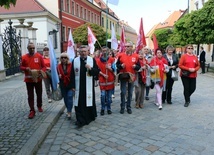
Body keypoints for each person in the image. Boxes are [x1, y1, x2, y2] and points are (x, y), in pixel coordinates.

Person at [71, 45, 99, 127]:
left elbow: (97, 72)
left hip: (88, 86)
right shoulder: (75, 61)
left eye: (84, 51)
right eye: (81, 51)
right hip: (78, 86)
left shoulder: (92, 60)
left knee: (88, 101)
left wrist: (90, 68)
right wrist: (72, 85)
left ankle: (89, 117)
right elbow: (72, 74)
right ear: (79, 52)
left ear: (88, 52)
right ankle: (80, 119)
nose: (83, 53)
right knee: (79, 103)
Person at [20, 42, 46, 119]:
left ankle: (39, 105)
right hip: (29, 80)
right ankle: (32, 110)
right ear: (28, 49)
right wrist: (25, 68)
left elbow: (44, 67)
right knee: (30, 95)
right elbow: (21, 67)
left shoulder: (39, 56)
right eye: (30, 48)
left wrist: (41, 71)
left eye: (33, 48)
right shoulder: (24, 57)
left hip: (38, 79)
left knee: (39, 93)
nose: (32, 49)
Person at [116, 41, 140, 114]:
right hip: (123, 76)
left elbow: (139, 67)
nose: (126, 48)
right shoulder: (120, 55)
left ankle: (128, 107)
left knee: (130, 93)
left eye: (128, 46)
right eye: (125, 46)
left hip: (131, 77)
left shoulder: (136, 56)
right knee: (123, 92)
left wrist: (136, 66)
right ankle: (122, 107)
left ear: (132, 47)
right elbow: (117, 65)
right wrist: (120, 66)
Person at [96, 47, 115, 115]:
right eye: (103, 51)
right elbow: (97, 70)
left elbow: (114, 70)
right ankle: (103, 108)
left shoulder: (112, 60)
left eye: (106, 51)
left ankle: (109, 108)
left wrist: (109, 68)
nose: (104, 52)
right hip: (102, 80)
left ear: (108, 51)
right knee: (103, 96)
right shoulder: (98, 60)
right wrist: (103, 75)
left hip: (110, 80)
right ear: (101, 52)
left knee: (109, 97)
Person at [57, 52, 73, 120]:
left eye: (65, 57)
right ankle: (68, 109)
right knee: (65, 99)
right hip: (63, 84)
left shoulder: (71, 65)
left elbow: (73, 75)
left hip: (70, 84)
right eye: (62, 58)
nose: (63, 59)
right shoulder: (58, 66)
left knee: (70, 97)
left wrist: (74, 86)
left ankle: (69, 111)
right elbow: (55, 76)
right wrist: (58, 76)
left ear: (67, 59)